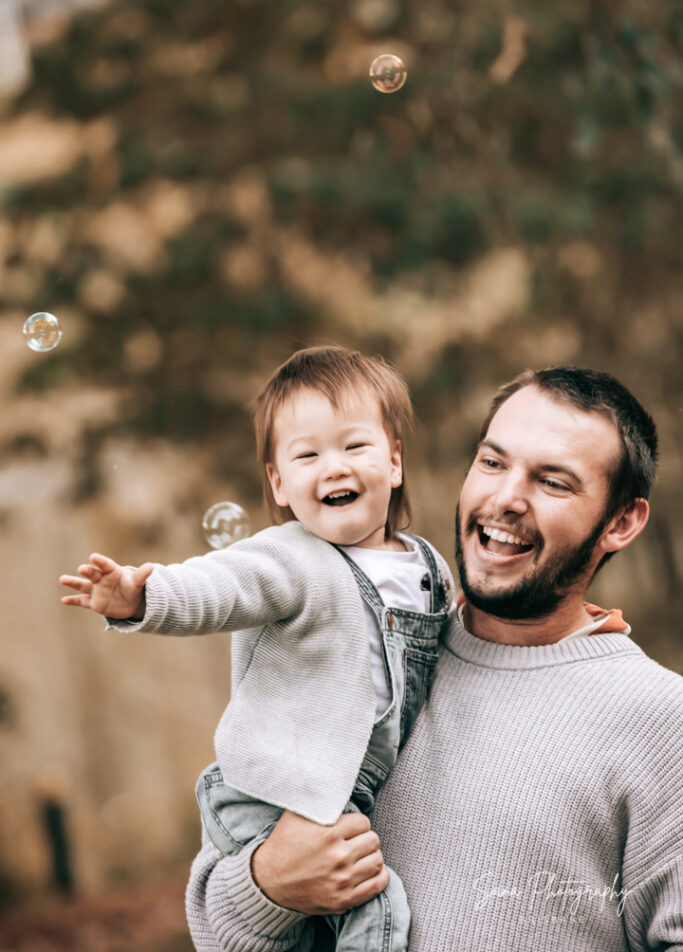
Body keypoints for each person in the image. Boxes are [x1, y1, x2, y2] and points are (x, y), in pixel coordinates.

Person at [187, 366, 683, 952]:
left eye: (552, 482)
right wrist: (269, 887)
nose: (505, 498)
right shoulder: (364, 663)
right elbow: (215, 928)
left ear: (621, 522)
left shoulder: (660, 720)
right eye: (493, 463)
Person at [59, 346, 454, 952]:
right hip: (277, 789)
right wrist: (144, 597)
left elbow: (471, 642)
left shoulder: (428, 566)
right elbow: (219, 587)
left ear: (394, 461)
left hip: (352, 788)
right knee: (372, 908)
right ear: (279, 481)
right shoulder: (290, 558)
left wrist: (568, 628)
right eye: (307, 454)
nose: (334, 466)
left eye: (355, 446)